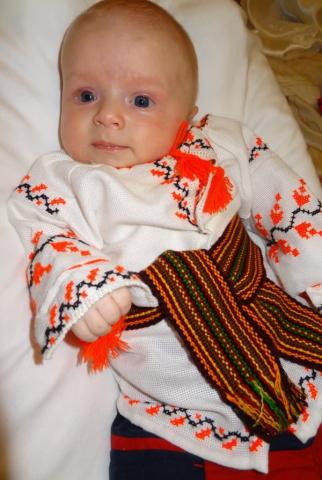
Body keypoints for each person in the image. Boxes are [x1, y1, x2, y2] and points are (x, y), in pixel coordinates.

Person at [7, 0, 322, 478]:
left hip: (290, 352)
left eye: (140, 101)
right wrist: (85, 291)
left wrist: (314, 275)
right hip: (168, 414)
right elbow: (51, 245)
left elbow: (293, 210)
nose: (108, 116)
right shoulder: (61, 183)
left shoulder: (221, 143)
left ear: (188, 115)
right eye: (86, 95)